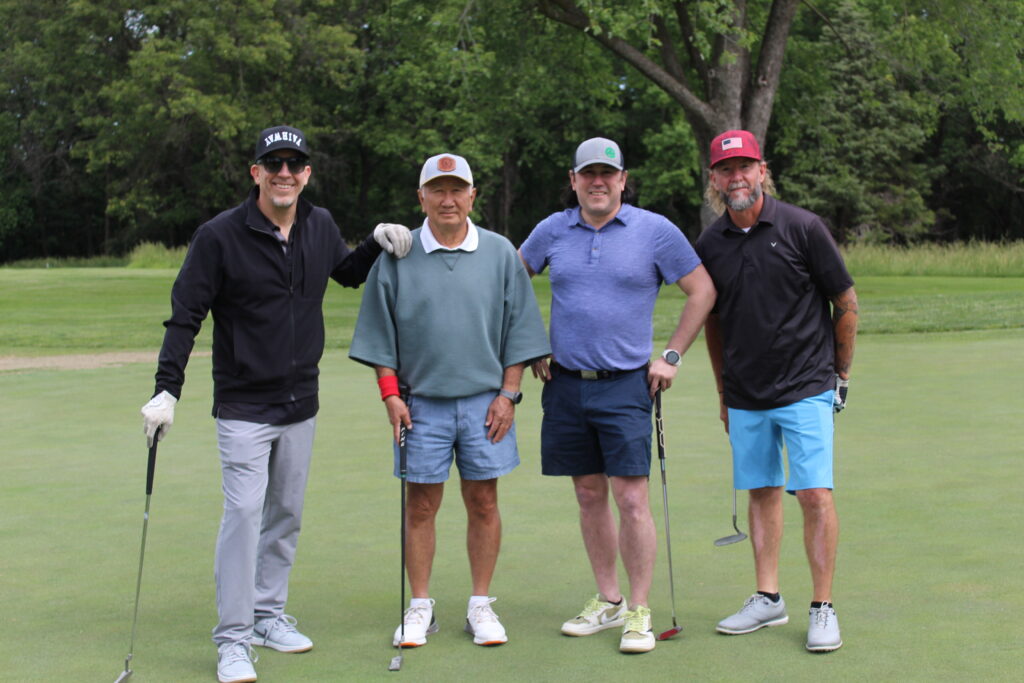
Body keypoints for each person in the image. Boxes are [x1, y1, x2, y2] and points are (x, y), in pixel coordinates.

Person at [139, 125, 412, 683]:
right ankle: (233, 639)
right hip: (243, 403)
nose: (284, 173)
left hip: (300, 404)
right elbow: (185, 315)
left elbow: (346, 274)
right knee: (243, 516)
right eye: (274, 163)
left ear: (307, 173)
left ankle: (267, 615)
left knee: (285, 516)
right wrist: (167, 388)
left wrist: (376, 241)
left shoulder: (320, 225)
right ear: (255, 172)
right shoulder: (218, 236)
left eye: (294, 164)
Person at [519, 137, 716, 654]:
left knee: (630, 498)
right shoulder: (552, 230)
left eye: (608, 174)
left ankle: (638, 609)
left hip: (627, 384)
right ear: (574, 180)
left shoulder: (654, 231)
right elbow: (510, 284)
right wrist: (531, 343)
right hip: (563, 384)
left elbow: (703, 290)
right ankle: (608, 600)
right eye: (588, 174)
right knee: (588, 495)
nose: (598, 182)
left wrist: (671, 356)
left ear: (623, 180)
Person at [348, 153, 550, 650]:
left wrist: (509, 395)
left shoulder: (502, 253)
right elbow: (379, 336)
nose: (447, 199)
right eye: (437, 190)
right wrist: (390, 397)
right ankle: (420, 606)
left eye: (457, 189)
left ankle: (480, 604)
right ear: (421, 197)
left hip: (487, 402)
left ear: (472, 196)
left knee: (483, 501)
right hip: (420, 404)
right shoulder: (396, 254)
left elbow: (519, 332)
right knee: (420, 505)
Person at [695, 129, 859, 653]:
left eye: (745, 166)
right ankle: (768, 598)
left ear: (761, 171)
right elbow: (713, 324)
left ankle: (822, 606)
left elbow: (847, 303)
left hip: (807, 385)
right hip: (746, 393)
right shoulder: (711, 244)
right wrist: (723, 392)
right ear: (714, 180)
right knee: (762, 491)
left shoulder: (801, 227)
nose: (736, 177)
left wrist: (842, 375)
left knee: (813, 493)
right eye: (726, 169)